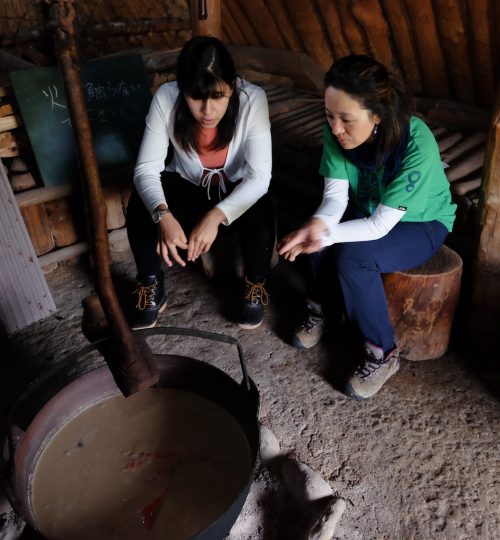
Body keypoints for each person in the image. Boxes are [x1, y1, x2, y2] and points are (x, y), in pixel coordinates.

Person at [278, 55, 456, 400]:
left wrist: (323, 232)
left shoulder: (414, 143)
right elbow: (334, 201)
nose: (335, 128)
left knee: (353, 255)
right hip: (370, 206)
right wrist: (319, 225)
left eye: (346, 119)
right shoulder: (336, 131)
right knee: (317, 228)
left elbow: (379, 226)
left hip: (420, 222)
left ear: (377, 115)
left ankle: (382, 352)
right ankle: (322, 306)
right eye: (330, 115)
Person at [126, 36, 274, 331]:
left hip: (234, 187)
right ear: (182, 91)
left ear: (232, 87)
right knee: (140, 204)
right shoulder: (166, 98)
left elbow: (259, 177)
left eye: (218, 96)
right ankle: (150, 283)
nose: (208, 110)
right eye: (196, 96)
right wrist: (162, 215)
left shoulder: (252, 99)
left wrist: (216, 216)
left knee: (263, 206)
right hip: (186, 185)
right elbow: (146, 169)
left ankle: (254, 285)